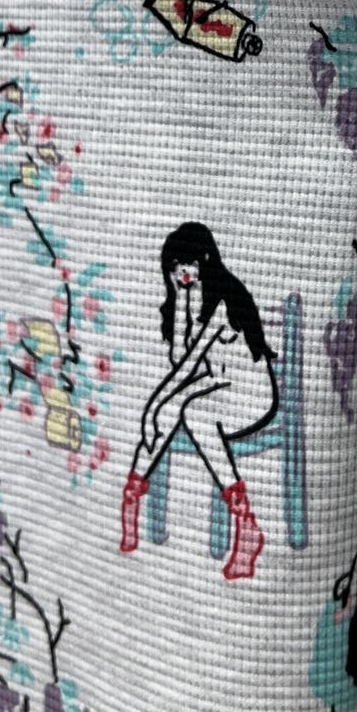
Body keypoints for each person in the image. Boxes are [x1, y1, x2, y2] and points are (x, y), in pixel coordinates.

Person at [119, 220, 278, 580]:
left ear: (205, 260)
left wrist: (151, 410)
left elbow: (188, 366)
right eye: (176, 266)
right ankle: (131, 495)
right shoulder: (193, 299)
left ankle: (246, 522)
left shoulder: (222, 299)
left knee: (192, 412)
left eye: (189, 263)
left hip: (249, 391)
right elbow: (179, 358)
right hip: (217, 382)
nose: (183, 272)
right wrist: (180, 300)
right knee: (173, 410)